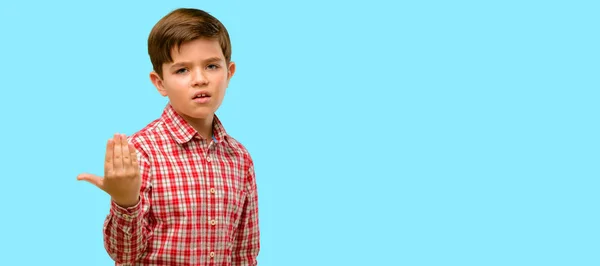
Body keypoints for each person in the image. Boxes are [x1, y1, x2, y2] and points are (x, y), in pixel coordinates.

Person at [77, 8, 260, 265]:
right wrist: (125, 201)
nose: (200, 79)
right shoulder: (141, 152)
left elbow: (245, 252)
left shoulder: (240, 159)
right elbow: (124, 254)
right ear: (159, 82)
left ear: (229, 73)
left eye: (211, 66)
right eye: (182, 70)